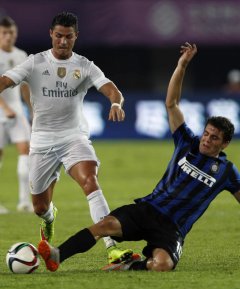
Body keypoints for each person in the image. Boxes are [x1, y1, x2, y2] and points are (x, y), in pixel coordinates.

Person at [37, 42, 240, 272]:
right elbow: (171, 103)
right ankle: (57, 254)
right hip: (148, 210)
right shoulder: (187, 142)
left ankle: (130, 266)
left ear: (224, 143)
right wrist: (181, 66)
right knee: (104, 226)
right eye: (206, 133)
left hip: (172, 229)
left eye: (214, 138)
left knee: (162, 265)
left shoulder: (227, 171)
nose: (206, 139)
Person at [0, 11, 135, 263]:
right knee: (39, 207)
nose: (63, 41)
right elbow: (6, 81)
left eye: (68, 37)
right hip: (41, 141)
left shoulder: (84, 65)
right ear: (51, 34)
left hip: (74, 138)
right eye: (59, 36)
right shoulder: (35, 62)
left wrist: (116, 104)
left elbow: (111, 89)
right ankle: (50, 218)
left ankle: (112, 247)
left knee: (90, 182)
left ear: (76, 37)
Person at [0, 16, 32, 213]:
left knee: (25, 151)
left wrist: (31, 109)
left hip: (17, 110)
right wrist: (5, 108)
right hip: (2, 110)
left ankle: (24, 200)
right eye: (4, 33)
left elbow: (25, 86)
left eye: (11, 32)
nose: (8, 36)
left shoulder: (21, 55)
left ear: (16, 34)